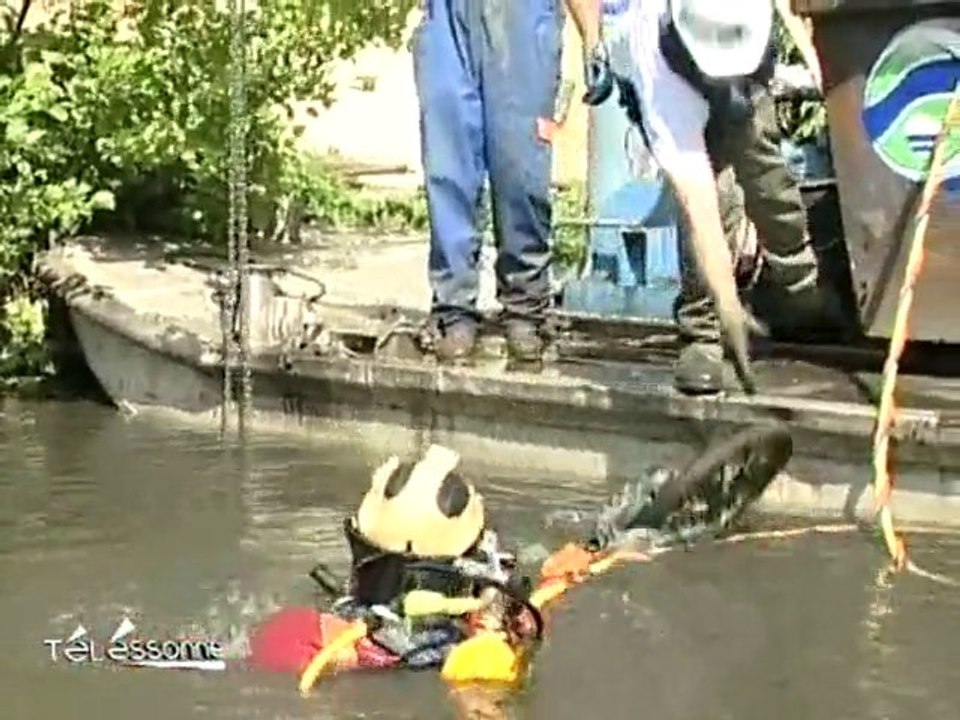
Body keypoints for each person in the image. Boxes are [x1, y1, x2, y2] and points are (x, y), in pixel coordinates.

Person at [588, 0, 848, 394]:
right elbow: (701, 211)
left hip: (744, 47)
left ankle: (802, 292)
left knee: (765, 170)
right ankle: (703, 332)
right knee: (717, 189)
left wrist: (815, 53)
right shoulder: (659, 80)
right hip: (674, 68)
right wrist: (729, 308)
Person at [414, 0, 613, 363]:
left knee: (519, 167)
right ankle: (452, 309)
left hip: (524, 17)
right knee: (448, 164)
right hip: (447, 18)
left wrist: (592, 39)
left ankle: (526, 307)